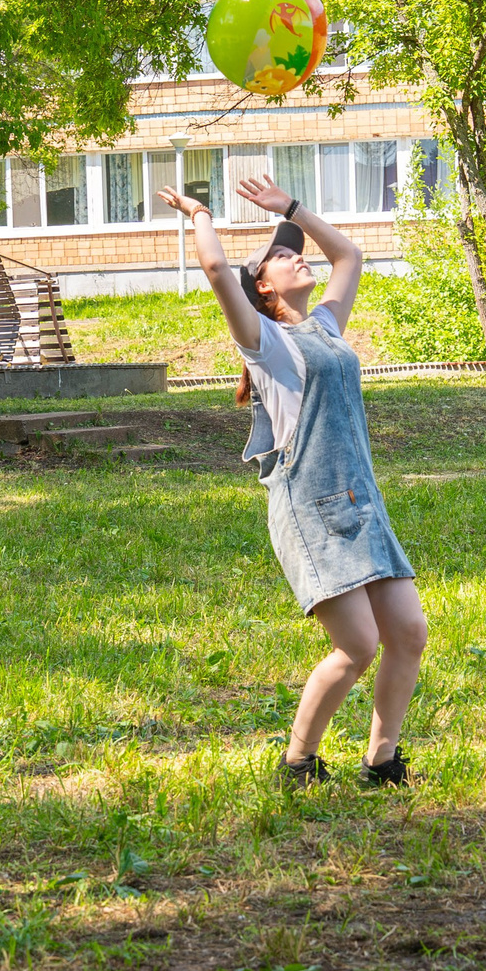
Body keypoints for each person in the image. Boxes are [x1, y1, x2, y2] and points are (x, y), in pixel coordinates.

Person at [158, 172, 425, 787]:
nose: (295, 256)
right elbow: (218, 273)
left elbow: (348, 254)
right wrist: (200, 214)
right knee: (359, 646)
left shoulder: (325, 327)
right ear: (263, 285)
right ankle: (298, 760)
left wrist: (292, 210)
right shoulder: (266, 343)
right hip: (311, 507)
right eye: (280, 255)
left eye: (294, 249)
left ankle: (382, 761)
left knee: (408, 634)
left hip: (361, 500)